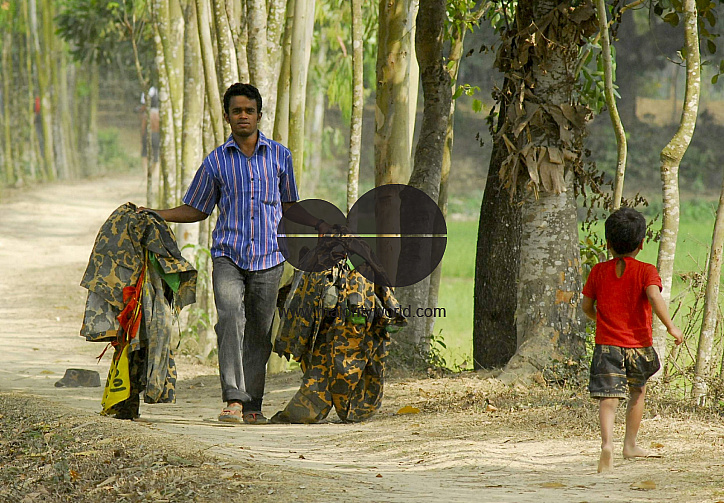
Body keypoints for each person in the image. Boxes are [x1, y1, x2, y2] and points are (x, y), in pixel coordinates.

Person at [139, 83, 331, 424]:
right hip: (228, 256)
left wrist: (319, 228)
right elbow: (196, 208)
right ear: (227, 116)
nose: (243, 116)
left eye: (249, 110)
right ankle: (233, 399)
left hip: (271, 257)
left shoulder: (279, 156)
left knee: (259, 329)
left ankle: (253, 405)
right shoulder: (216, 161)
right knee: (229, 318)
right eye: (237, 111)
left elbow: (290, 207)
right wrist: (157, 214)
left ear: (258, 115)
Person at [581, 207, 683, 473]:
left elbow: (586, 306)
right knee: (637, 392)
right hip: (638, 346)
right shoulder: (646, 271)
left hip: (606, 346)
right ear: (641, 243)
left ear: (608, 243)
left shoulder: (598, 272)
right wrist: (671, 327)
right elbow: (654, 297)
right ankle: (630, 444)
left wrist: (598, 318)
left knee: (608, 398)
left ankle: (607, 445)